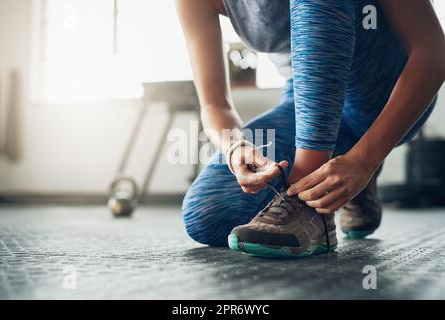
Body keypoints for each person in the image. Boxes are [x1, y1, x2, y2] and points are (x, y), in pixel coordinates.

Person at [176, 0, 445, 258]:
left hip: (382, 97)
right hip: (305, 106)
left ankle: (305, 201)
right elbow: (215, 106)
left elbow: (433, 53)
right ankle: (336, 174)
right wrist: (235, 147)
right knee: (207, 214)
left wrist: (365, 160)